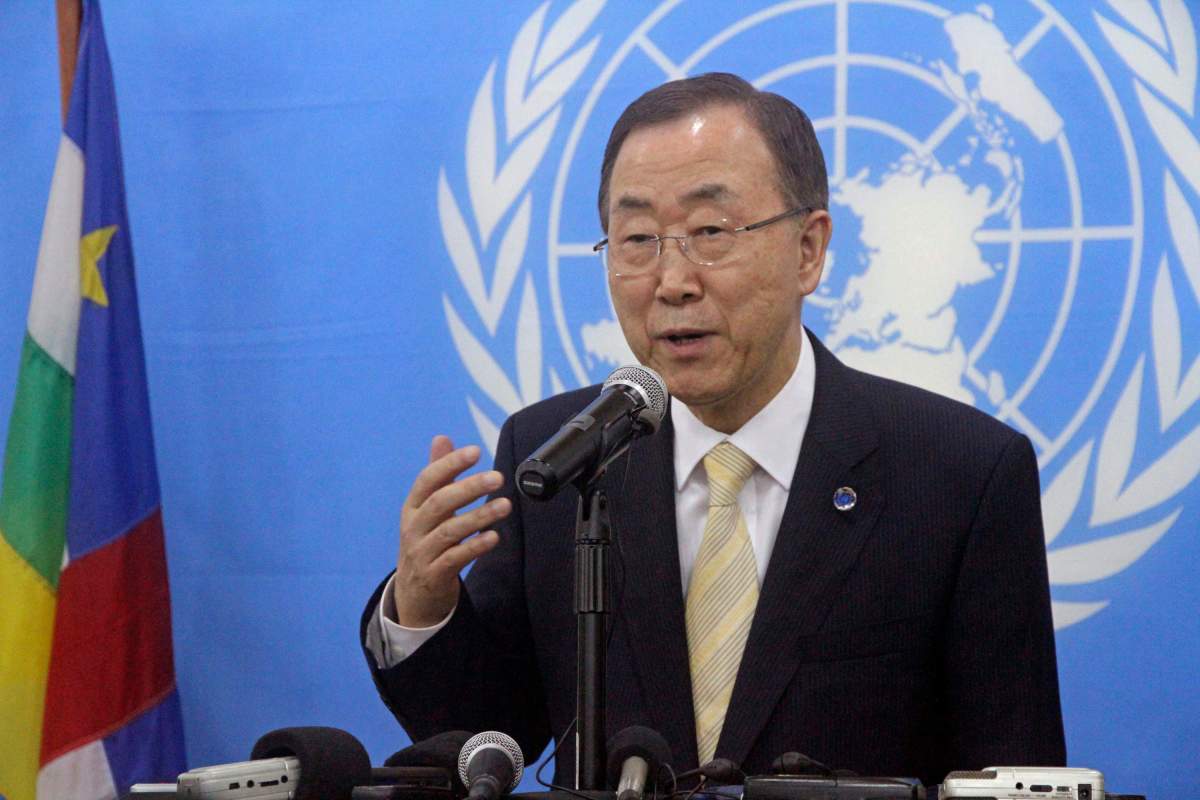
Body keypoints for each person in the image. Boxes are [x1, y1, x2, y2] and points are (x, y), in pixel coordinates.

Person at [361, 73, 1065, 787]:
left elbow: (1012, 772)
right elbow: (491, 735)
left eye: (709, 233)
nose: (672, 281)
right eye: (637, 239)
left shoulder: (959, 474)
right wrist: (424, 609)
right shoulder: (566, 459)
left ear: (808, 250)